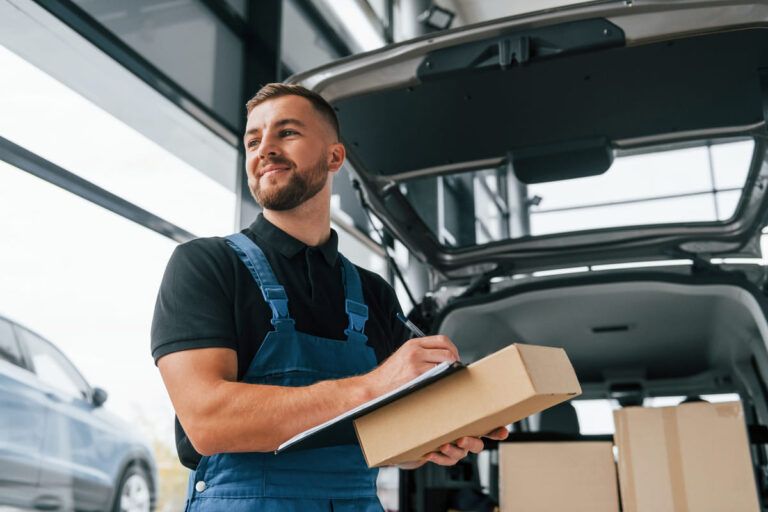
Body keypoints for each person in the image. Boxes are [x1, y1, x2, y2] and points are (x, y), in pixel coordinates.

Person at [151, 83, 508, 511]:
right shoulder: (206, 264)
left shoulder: (372, 293)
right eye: (252, 139)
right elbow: (209, 420)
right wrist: (374, 385)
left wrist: (427, 442)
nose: (264, 148)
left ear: (334, 156)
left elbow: (382, 431)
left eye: (286, 133)